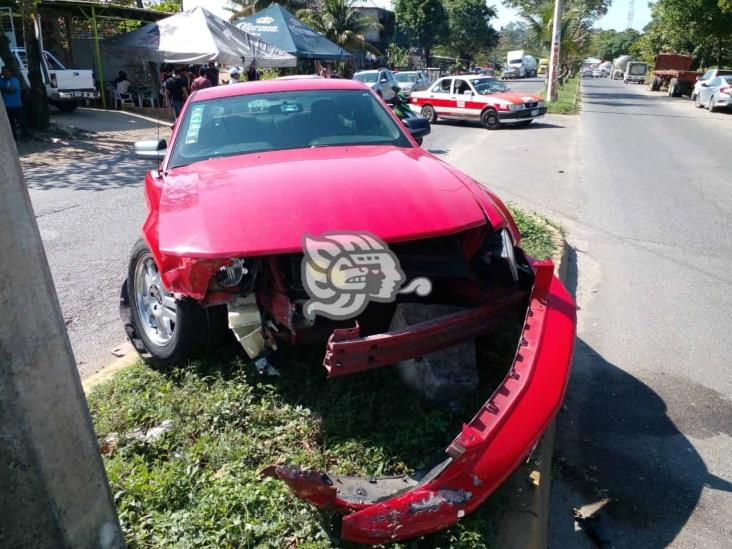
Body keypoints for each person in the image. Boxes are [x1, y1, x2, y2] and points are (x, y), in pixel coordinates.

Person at [0, 66, 29, 140]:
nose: (6, 73)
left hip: (16, 105)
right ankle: (14, 137)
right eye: (4, 71)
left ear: (11, 72)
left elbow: (11, 89)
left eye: (7, 71)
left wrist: (2, 90)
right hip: (6, 106)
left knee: (21, 122)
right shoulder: (1, 80)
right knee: (10, 123)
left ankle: (26, 136)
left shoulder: (14, 80)